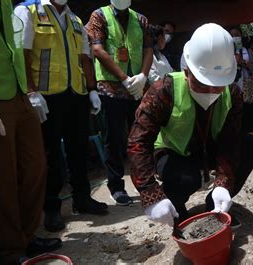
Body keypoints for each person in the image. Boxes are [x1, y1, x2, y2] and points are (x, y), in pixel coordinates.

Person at [127, 23, 253, 226]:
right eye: (202, 83)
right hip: (175, 153)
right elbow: (138, 142)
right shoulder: (163, 91)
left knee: (250, 145)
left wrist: (223, 183)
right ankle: (175, 206)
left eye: (217, 85)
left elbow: (230, 141)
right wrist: (150, 194)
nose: (210, 91)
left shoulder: (233, 94)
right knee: (186, 178)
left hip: (208, 148)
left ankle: (214, 204)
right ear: (186, 71)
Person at [15, 0, 108, 233]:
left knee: (79, 150)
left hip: (75, 94)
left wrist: (92, 89)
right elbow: (22, 53)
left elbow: (85, 58)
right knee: (51, 154)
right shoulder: (28, 11)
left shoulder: (75, 20)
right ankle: (52, 208)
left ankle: (82, 198)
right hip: (46, 97)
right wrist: (31, 91)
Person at [0, 0, 61, 263]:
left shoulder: (9, 3)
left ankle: (27, 236)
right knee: (2, 178)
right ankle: (9, 250)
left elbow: (18, 49)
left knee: (35, 167)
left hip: (19, 92)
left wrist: (30, 90)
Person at [86, 0, 154, 206]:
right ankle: (116, 186)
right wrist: (123, 77)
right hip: (111, 86)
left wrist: (142, 76)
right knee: (114, 138)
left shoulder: (140, 19)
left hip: (136, 86)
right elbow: (97, 49)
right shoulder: (99, 16)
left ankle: (145, 182)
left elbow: (148, 49)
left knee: (141, 135)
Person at [229, 26, 253, 133]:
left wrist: (247, 64)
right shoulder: (226, 52)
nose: (235, 37)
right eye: (232, 35)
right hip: (233, 88)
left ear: (241, 36)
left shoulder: (247, 51)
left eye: (237, 35)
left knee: (248, 113)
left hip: (247, 88)